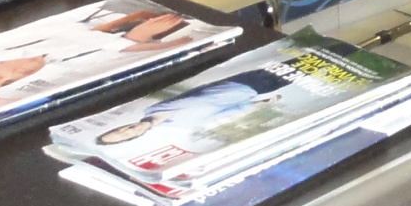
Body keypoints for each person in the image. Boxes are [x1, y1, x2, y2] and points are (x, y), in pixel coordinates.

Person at [93, 66, 294, 147]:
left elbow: (194, 92)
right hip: (252, 90)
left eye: (119, 130)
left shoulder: (151, 109)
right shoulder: (180, 127)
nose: (128, 130)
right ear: (134, 138)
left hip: (236, 78)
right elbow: (224, 114)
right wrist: (261, 104)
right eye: (126, 135)